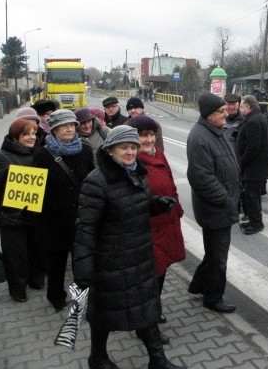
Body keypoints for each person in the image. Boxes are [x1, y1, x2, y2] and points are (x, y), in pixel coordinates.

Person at [73, 126, 185, 369]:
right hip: (112, 261)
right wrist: (83, 270)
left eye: (134, 147)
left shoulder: (138, 173)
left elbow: (137, 206)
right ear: (110, 149)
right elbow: (85, 229)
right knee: (103, 313)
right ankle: (98, 358)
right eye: (124, 147)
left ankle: (157, 360)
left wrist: (157, 204)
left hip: (141, 255)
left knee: (147, 308)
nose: (130, 152)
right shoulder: (97, 182)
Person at [126, 115, 185, 333]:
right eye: (144, 135)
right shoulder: (131, 162)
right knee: (148, 277)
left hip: (167, 222)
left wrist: (177, 207)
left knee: (160, 273)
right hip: (148, 227)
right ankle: (145, 324)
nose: (149, 140)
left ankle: (153, 310)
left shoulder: (159, 155)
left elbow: (170, 184)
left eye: (152, 135)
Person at [33, 110, 95, 311]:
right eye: (64, 126)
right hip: (53, 221)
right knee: (56, 264)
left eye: (72, 125)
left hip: (80, 219)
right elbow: (33, 189)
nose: (69, 129)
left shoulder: (85, 150)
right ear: (54, 129)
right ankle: (56, 297)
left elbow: (93, 181)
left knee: (82, 264)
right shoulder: (42, 154)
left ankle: (82, 299)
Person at [186, 93, 240, 313]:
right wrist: (227, 201)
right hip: (214, 208)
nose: (225, 114)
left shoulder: (216, 132)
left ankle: (198, 284)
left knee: (213, 253)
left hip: (221, 204)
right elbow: (202, 178)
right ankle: (213, 297)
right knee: (218, 257)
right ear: (209, 115)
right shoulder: (200, 138)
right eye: (221, 111)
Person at [0, 118, 45, 302]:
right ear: (15, 136)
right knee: (16, 257)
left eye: (34, 133)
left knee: (37, 250)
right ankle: (18, 290)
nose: (32, 137)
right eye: (26, 134)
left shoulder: (40, 154)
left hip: (35, 214)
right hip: (12, 217)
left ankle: (36, 280)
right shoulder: (1, 157)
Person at [236, 95, 268, 235]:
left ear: (248, 107)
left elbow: (252, 148)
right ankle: (253, 220)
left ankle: (256, 224)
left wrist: (241, 161)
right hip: (256, 167)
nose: (240, 109)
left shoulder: (253, 121)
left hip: (253, 168)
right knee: (253, 196)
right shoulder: (257, 117)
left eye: (242, 106)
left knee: (252, 197)